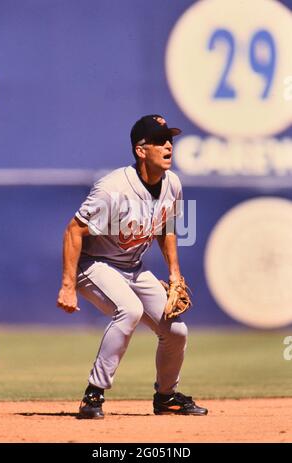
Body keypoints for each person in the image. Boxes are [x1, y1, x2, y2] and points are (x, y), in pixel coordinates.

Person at [57, 114, 208, 419]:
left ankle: (166, 397)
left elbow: (166, 227)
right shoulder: (113, 187)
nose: (168, 146)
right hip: (95, 264)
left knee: (176, 331)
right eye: (160, 141)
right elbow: (74, 229)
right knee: (129, 310)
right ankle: (93, 395)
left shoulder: (172, 184)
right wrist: (68, 285)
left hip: (133, 267)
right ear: (141, 150)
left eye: (170, 140)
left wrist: (175, 274)